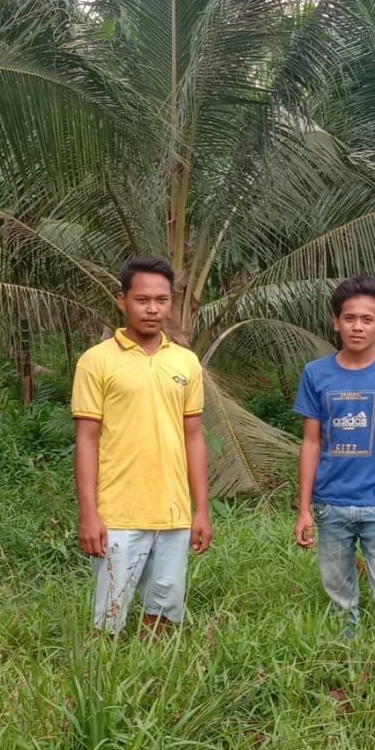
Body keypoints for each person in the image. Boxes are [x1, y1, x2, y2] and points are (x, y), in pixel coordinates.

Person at [72, 256, 213, 634]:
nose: (153, 309)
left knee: (164, 615)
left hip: (173, 513)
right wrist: (90, 514)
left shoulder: (186, 362)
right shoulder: (96, 362)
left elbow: (194, 437)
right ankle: (103, 687)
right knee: (108, 618)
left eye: (162, 300)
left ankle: (156, 685)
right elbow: (86, 440)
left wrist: (201, 510)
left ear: (171, 302)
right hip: (117, 512)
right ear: (123, 300)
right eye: (143, 299)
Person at [293, 276, 375, 632]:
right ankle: (344, 660)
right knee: (339, 599)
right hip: (329, 503)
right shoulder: (316, 373)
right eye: (349, 318)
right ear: (336, 322)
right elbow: (311, 442)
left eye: (367, 320)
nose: (357, 327)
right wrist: (304, 508)